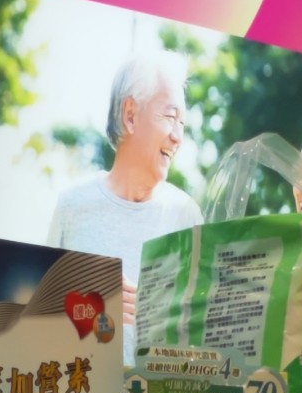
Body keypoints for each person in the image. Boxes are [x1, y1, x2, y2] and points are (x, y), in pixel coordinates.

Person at [46, 55, 200, 330]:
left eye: (182, 124)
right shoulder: (73, 206)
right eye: (170, 117)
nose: (178, 137)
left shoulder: (186, 216)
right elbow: (42, 319)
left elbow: (201, 325)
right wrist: (89, 306)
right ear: (130, 115)